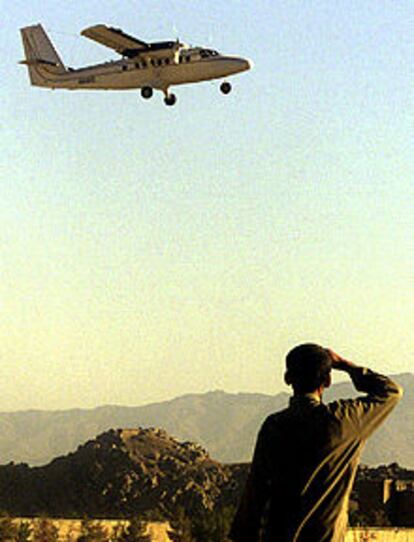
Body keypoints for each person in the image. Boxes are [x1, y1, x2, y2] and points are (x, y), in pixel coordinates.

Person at [229, 343, 403, 542]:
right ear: (328, 380)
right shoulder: (343, 422)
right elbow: (391, 392)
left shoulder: (273, 427)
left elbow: (255, 492)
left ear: (287, 379)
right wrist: (346, 365)